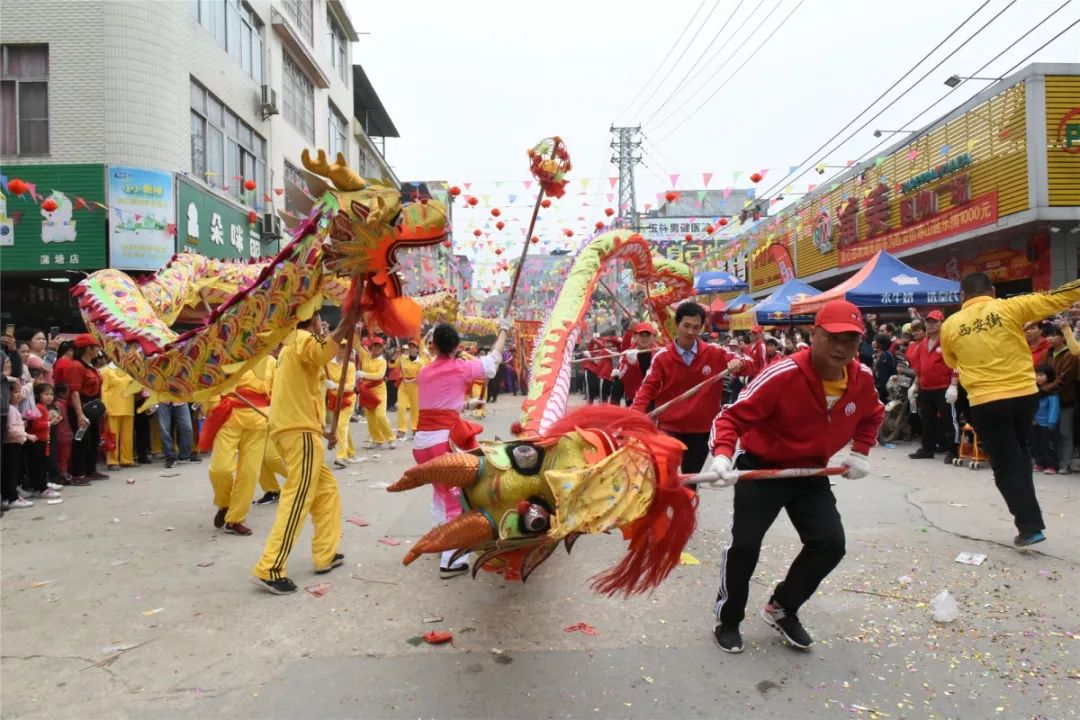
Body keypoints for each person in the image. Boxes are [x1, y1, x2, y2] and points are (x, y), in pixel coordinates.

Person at [705, 299, 884, 653]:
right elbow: (731, 417)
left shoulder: (861, 378)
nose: (841, 348)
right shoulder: (782, 374)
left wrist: (860, 452)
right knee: (745, 546)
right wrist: (723, 455)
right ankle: (729, 618)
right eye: (832, 338)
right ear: (813, 335)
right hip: (763, 465)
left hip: (811, 470)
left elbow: (872, 415)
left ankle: (782, 606)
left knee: (830, 543)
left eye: (850, 340)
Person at [940, 273, 1080, 548]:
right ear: (991, 291)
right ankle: (1030, 519)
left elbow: (951, 359)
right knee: (1019, 452)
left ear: (962, 296)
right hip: (1025, 396)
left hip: (986, 400)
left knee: (1005, 465)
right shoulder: (1010, 307)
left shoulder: (951, 325)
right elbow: (1058, 296)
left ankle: (1029, 526)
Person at [251, 306, 360, 594]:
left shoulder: (293, 348)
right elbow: (323, 351)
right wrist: (347, 321)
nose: (323, 326)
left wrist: (325, 430)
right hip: (298, 436)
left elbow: (305, 397)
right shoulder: (300, 340)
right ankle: (270, 567)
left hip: (299, 431)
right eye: (320, 322)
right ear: (312, 322)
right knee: (298, 498)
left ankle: (325, 553)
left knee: (326, 491)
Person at [413, 318, 511, 576]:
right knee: (456, 498)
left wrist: (467, 405)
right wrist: (503, 331)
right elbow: (493, 362)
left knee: (439, 493)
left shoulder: (424, 371)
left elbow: (440, 405)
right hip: (441, 442)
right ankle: (451, 558)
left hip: (421, 443)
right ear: (456, 346)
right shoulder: (459, 368)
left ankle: (437, 541)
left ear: (433, 346)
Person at [630, 302, 757, 487]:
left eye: (696, 327)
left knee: (690, 481)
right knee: (665, 479)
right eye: (686, 326)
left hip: (701, 431)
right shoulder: (663, 357)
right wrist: (632, 420)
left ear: (702, 327)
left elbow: (750, 363)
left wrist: (739, 364)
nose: (690, 332)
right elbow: (645, 392)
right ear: (677, 325)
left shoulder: (714, 352)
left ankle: (686, 513)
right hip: (670, 429)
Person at [202, 355, 273, 536]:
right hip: (229, 417)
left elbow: (279, 392)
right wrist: (213, 405)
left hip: (259, 421)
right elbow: (211, 385)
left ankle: (235, 519)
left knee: (249, 473)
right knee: (220, 470)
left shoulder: (271, 362)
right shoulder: (226, 358)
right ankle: (225, 503)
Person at [907, 310, 956, 463]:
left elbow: (956, 363)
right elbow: (920, 366)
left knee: (948, 420)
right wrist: (915, 384)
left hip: (943, 387)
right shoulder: (922, 344)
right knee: (927, 420)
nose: (930, 324)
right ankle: (927, 448)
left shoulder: (947, 341)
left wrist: (953, 385)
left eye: (934, 321)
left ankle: (954, 450)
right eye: (928, 321)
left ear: (942, 323)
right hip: (926, 388)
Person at [66, 334, 107, 483]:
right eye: (96, 347)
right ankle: (78, 473)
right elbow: (74, 392)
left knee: (94, 438)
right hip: (81, 406)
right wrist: (79, 414)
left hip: (93, 406)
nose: (98, 349)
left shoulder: (91, 365)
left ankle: (90, 469)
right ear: (88, 349)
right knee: (82, 440)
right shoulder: (76, 366)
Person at [1043, 322, 1077, 474]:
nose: (1050, 338)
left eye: (1054, 335)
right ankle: (1054, 462)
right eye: (1048, 335)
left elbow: (1065, 379)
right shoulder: (1049, 353)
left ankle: (1066, 464)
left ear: (1063, 337)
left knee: (1065, 432)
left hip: (1064, 398)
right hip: (1050, 399)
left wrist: (1045, 390)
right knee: (1052, 432)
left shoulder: (1071, 354)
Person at [358, 337, 396, 450]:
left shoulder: (382, 361)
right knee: (370, 418)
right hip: (366, 390)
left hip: (379, 390)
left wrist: (363, 374)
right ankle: (377, 439)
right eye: (375, 346)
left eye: (379, 347)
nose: (376, 348)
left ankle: (391, 438)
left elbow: (379, 375)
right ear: (371, 346)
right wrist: (355, 329)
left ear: (382, 349)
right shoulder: (365, 356)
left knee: (380, 415)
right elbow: (356, 345)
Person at [327, 341, 358, 467]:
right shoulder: (328, 364)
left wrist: (335, 386)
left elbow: (351, 386)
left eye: (344, 348)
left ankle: (341, 456)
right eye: (340, 347)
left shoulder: (350, 366)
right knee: (344, 426)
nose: (341, 350)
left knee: (341, 425)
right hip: (334, 399)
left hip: (348, 400)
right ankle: (350, 451)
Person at [100, 362, 135, 470]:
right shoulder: (106, 370)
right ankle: (112, 461)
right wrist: (104, 407)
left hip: (128, 407)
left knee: (127, 436)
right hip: (113, 408)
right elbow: (103, 390)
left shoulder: (129, 369)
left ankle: (127, 459)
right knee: (113, 436)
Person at [613, 322, 656, 407]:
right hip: (634, 400)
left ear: (653, 337)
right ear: (635, 337)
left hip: (654, 400)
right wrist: (630, 364)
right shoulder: (627, 354)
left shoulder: (659, 353)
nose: (644, 338)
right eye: (641, 335)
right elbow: (622, 378)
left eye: (647, 335)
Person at [1031, 365, 1060, 474]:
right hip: (1035, 423)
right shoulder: (1033, 390)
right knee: (1036, 444)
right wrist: (1031, 419)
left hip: (1047, 424)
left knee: (1048, 445)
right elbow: (1031, 406)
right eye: (1036, 375)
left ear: (1049, 376)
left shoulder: (1052, 391)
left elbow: (1054, 408)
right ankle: (1039, 463)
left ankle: (1051, 465)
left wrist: (1052, 422)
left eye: (1041, 375)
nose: (1038, 378)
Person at [396, 339, 424, 440]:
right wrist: (395, 355)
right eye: (410, 347)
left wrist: (411, 380)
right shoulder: (403, 358)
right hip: (403, 386)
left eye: (414, 347)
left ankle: (415, 428)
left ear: (417, 349)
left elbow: (421, 376)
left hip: (415, 387)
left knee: (414, 409)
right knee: (401, 407)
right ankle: (401, 429)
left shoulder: (421, 362)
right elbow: (392, 364)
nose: (412, 349)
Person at [157, 400, 197, 469]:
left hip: (180, 399)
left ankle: (184, 456)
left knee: (187, 427)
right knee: (164, 429)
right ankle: (170, 457)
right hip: (162, 400)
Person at [871, 333, 898, 404]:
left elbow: (887, 374)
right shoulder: (874, 355)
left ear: (881, 343)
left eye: (875, 341)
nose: (872, 342)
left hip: (885, 388)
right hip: (876, 386)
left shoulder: (887, 356)